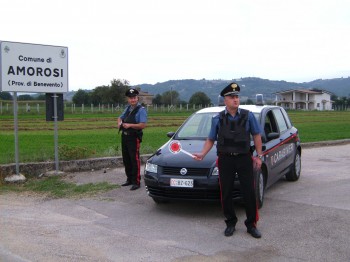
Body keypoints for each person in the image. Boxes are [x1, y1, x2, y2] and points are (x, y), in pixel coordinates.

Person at [193, 82, 263, 238]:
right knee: (226, 192)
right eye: (232, 97)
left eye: (237, 96)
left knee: (249, 192)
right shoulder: (217, 119)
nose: (235, 99)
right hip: (225, 160)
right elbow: (211, 139)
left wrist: (259, 156)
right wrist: (203, 154)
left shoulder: (248, 115)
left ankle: (251, 224)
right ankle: (230, 222)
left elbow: (257, 135)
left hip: (244, 158)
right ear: (225, 100)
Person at [118, 88, 147, 191]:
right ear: (128, 99)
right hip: (125, 136)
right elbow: (120, 117)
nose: (132, 100)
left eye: (134, 98)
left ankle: (136, 181)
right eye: (130, 98)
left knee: (134, 159)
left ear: (137, 98)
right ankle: (129, 179)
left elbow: (142, 125)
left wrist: (129, 125)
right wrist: (119, 123)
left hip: (133, 137)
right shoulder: (128, 108)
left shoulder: (141, 110)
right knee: (126, 159)